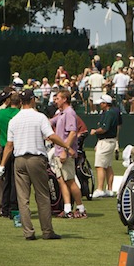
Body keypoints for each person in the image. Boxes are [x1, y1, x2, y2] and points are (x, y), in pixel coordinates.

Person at [0, 89, 73, 240]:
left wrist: (2, 165)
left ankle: (28, 232)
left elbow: (9, 146)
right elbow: (50, 135)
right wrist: (65, 145)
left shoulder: (14, 120)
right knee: (42, 196)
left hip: (19, 161)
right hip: (36, 159)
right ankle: (47, 231)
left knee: (23, 198)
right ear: (31, 100)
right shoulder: (39, 117)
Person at [49, 90, 86, 218]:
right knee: (61, 181)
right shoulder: (61, 113)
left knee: (70, 180)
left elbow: (72, 133)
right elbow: (49, 122)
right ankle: (68, 209)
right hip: (59, 152)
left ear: (64, 99)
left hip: (65, 153)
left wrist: (65, 150)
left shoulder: (70, 113)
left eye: (58, 98)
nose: (55, 100)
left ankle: (81, 209)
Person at [89, 93, 120, 198]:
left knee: (100, 166)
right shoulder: (111, 113)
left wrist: (95, 131)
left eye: (101, 103)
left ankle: (100, 189)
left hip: (106, 141)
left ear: (106, 104)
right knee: (108, 166)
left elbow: (104, 129)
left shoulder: (108, 113)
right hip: (110, 141)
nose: (100, 105)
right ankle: (109, 190)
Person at [0, 91, 22, 216]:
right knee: (15, 181)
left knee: (6, 180)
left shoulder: (2, 113)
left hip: (4, 148)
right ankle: (13, 207)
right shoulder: (20, 114)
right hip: (16, 149)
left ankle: (4, 208)